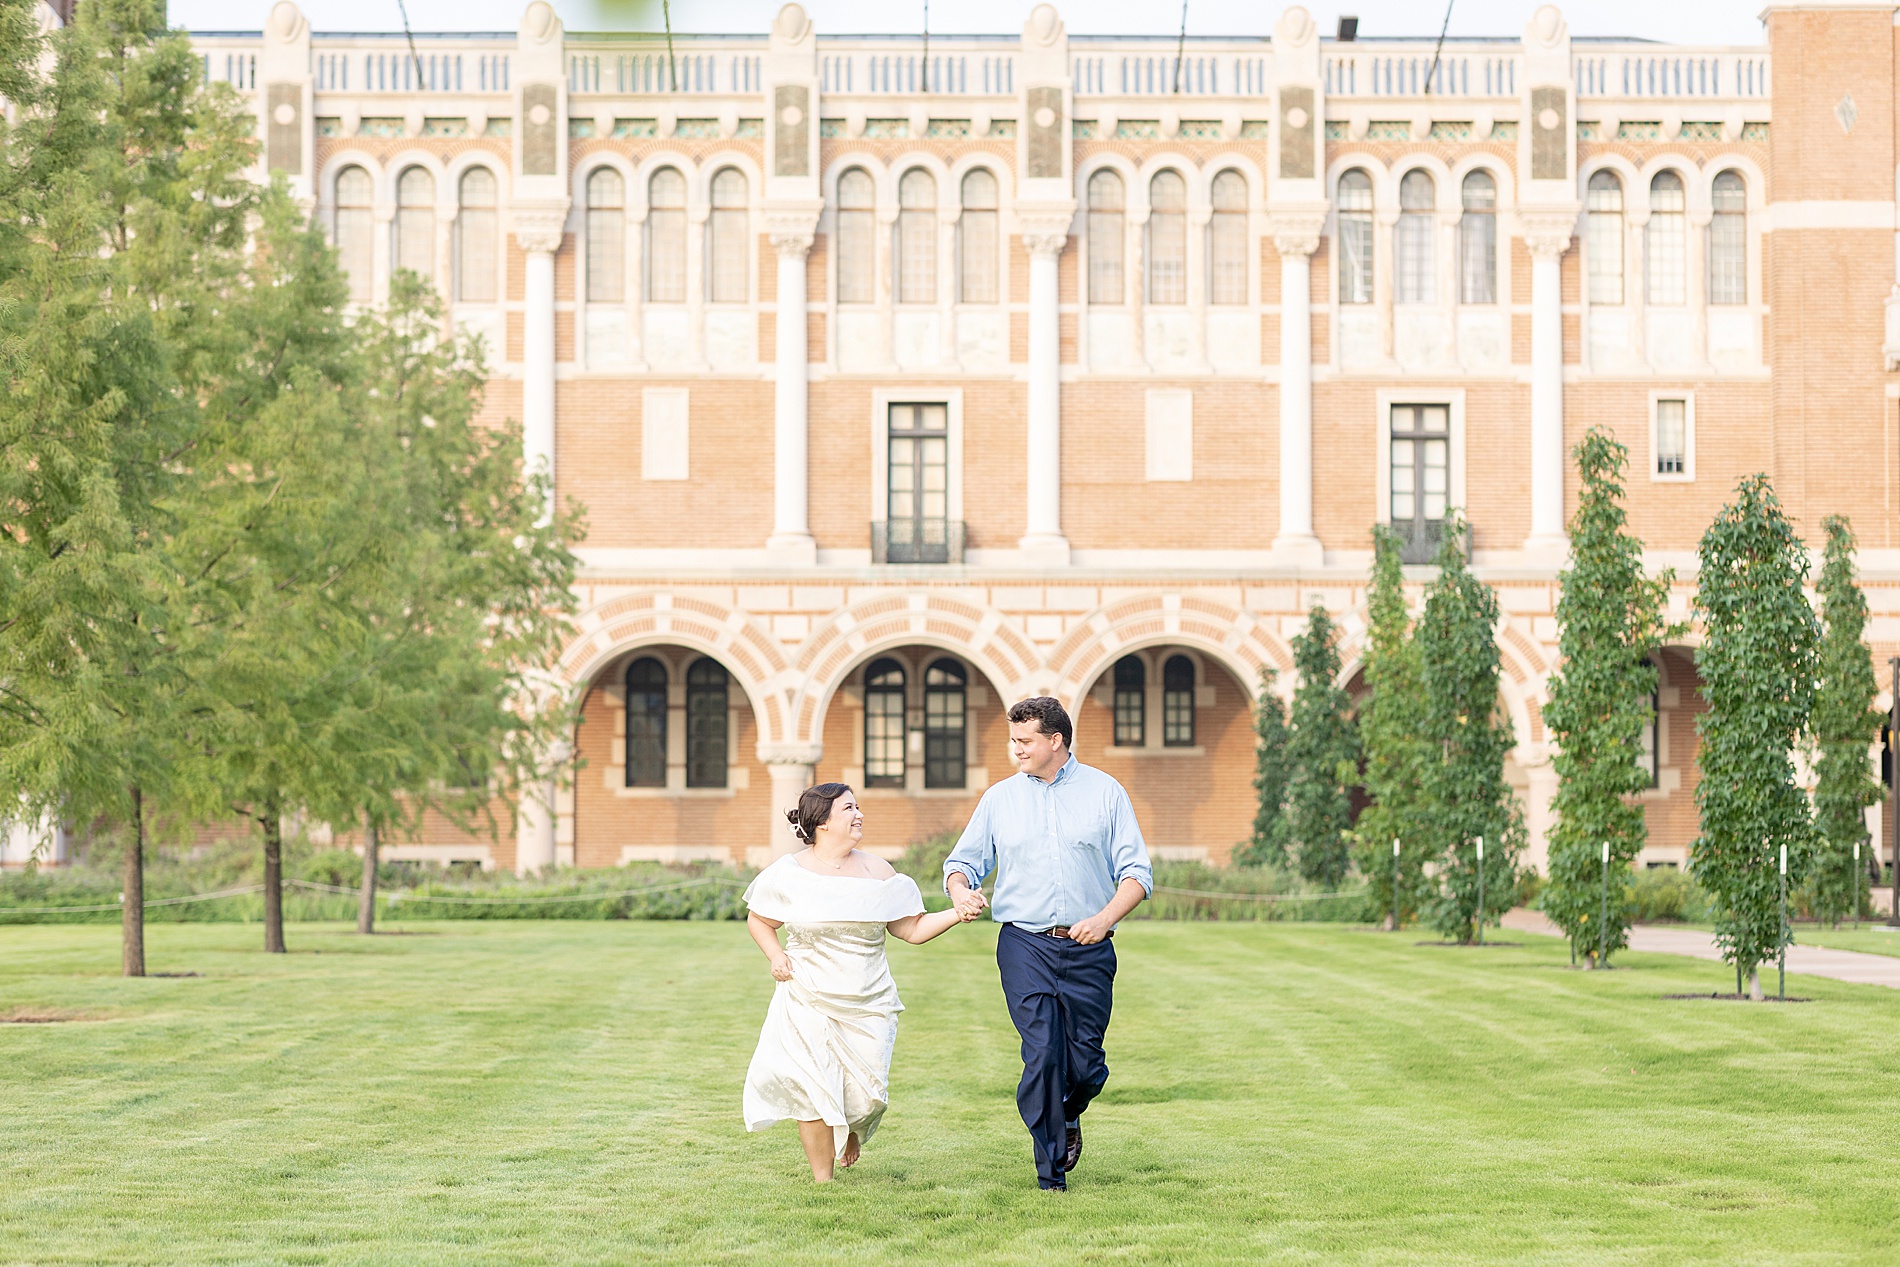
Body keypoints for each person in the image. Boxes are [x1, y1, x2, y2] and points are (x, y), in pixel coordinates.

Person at [943, 696, 1153, 1192]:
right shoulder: (999, 799)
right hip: (1024, 945)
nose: (1016, 749)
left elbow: (1137, 874)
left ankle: (1070, 1112)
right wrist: (960, 891)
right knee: (1041, 1055)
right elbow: (962, 863)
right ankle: (1050, 1174)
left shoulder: (1106, 793)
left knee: (1086, 1066)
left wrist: (1103, 920)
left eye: (1025, 740)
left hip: (1089, 948)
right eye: (1013, 740)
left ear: (1055, 740)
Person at [742, 782, 977, 1182]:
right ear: (822, 821)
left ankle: (853, 1127)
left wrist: (958, 912)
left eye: (857, 806)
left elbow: (911, 929)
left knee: (869, 1095)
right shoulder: (789, 873)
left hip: (869, 1000)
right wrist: (776, 956)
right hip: (807, 995)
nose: (859, 814)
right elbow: (760, 919)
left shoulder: (879, 872)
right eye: (849, 808)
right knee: (812, 1085)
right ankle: (823, 1181)